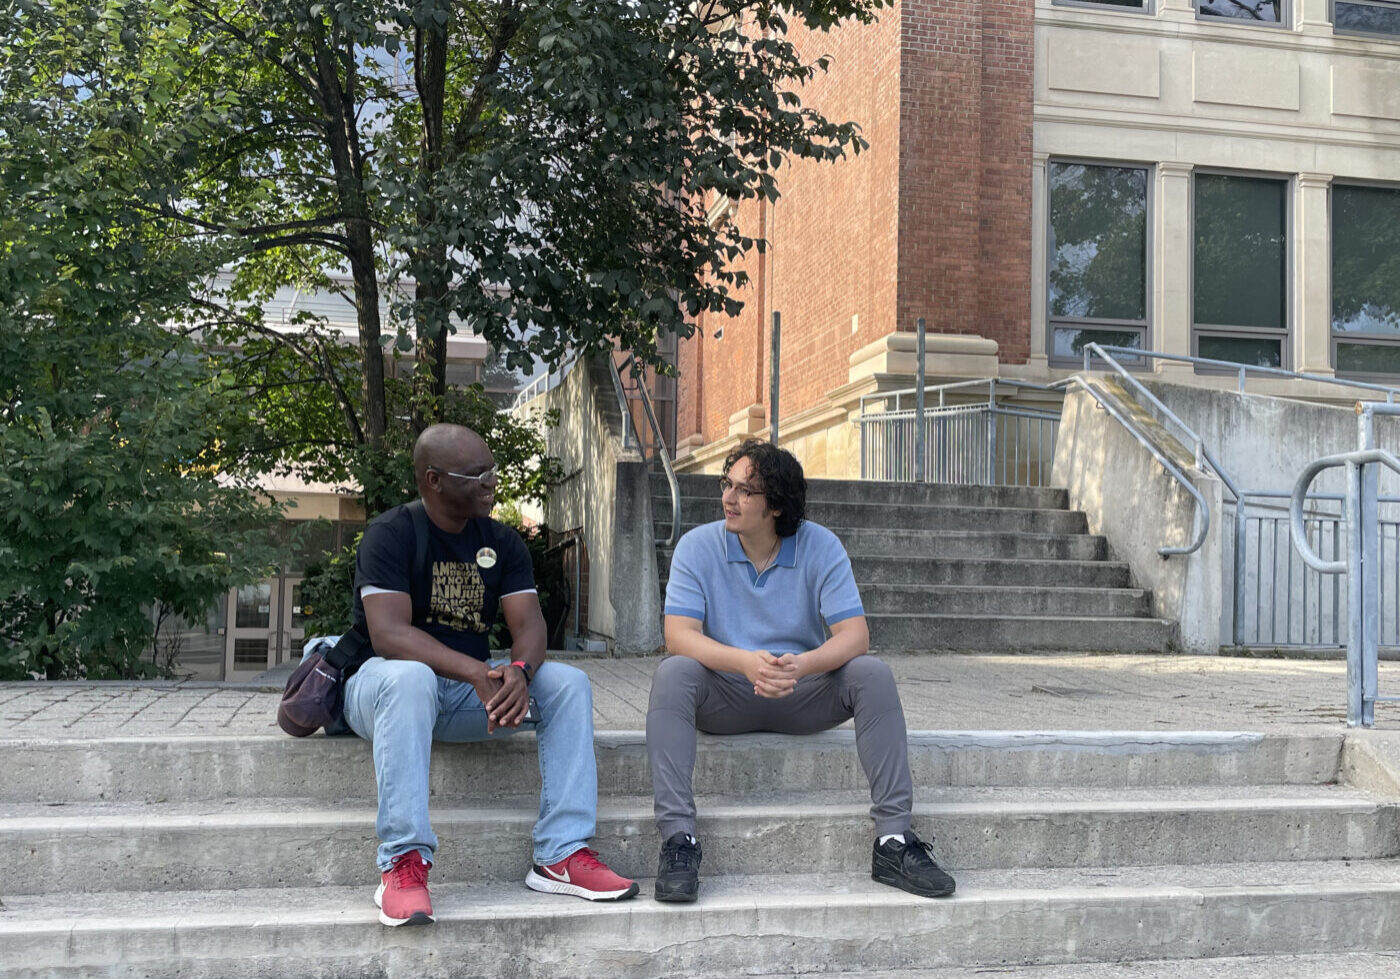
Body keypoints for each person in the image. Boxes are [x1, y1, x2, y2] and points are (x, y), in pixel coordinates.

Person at [344, 423, 637, 927]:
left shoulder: (501, 542)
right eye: (475, 474)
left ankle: (561, 854)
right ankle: (403, 863)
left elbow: (530, 625)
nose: (490, 483)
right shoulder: (390, 534)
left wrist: (520, 671)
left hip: (463, 694)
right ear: (433, 480)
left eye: (492, 471)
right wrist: (478, 672)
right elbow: (388, 634)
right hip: (381, 691)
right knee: (410, 678)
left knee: (569, 685)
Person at [646, 438, 955, 903]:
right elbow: (679, 635)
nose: (729, 498)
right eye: (726, 485)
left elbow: (855, 636)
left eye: (745, 491)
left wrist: (801, 665)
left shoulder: (820, 546)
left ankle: (893, 841)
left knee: (872, 674)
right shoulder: (697, 547)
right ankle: (678, 841)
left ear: (776, 507)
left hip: (801, 691)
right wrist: (745, 662)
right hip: (725, 692)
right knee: (673, 673)